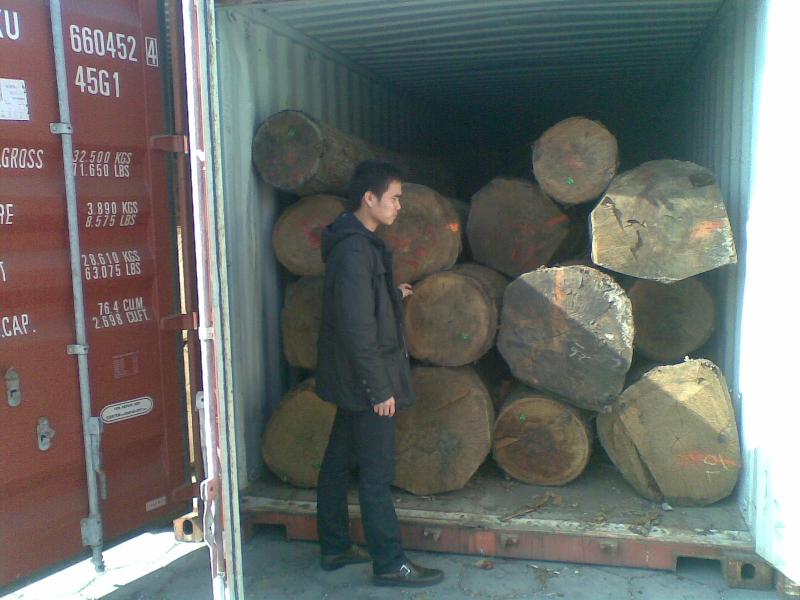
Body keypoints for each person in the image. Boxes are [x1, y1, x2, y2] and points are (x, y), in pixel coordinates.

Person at [314, 160, 444, 587]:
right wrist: (378, 388)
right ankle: (389, 563)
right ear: (369, 198)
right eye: (394, 198)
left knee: (337, 464)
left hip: (351, 379)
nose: (399, 206)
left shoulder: (356, 244)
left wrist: (390, 294)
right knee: (376, 474)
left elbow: (360, 301)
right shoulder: (355, 250)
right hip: (364, 382)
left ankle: (335, 547)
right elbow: (357, 327)